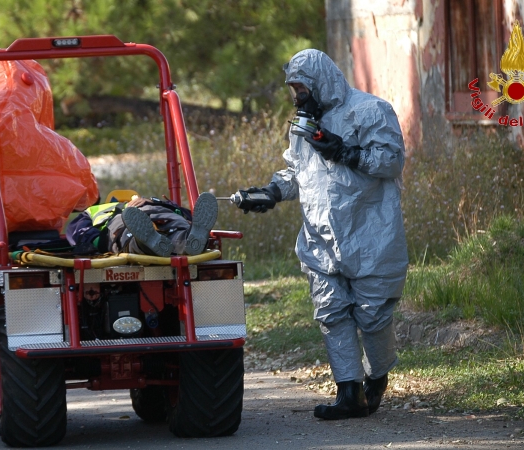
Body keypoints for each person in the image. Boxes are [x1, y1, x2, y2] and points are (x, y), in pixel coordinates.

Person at [233, 49, 408, 420]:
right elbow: (296, 170)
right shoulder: (302, 125)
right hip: (320, 238)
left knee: (374, 316)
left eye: (301, 87)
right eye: (293, 88)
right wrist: (271, 192)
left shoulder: (371, 111)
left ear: (320, 81)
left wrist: (346, 151)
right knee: (331, 312)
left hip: (370, 234)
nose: (297, 95)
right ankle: (349, 393)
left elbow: (392, 160)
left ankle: (376, 377)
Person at [67, 192, 218, 257]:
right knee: (174, 228)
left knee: (177, 228)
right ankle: (184, 242)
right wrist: (100, 242)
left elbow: (75, 231)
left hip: (154, 215)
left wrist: (153, 201)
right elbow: (76, 232)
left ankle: (184, 241)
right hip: (129, 221)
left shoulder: (155, 202)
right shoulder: (95, 210)